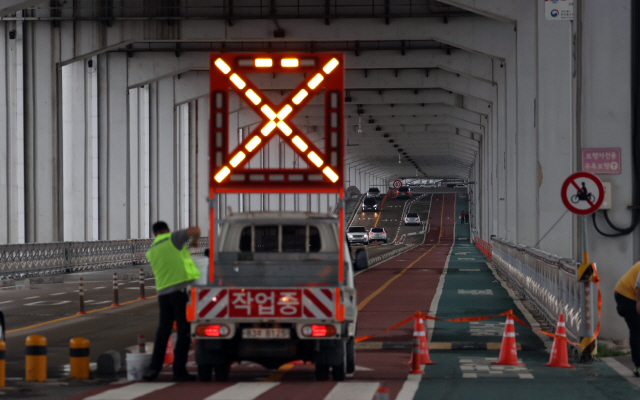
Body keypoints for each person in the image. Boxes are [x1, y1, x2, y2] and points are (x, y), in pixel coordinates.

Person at [143, 221, 201, 382]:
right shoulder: (172, 238)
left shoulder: (152, 250)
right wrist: (195, 241)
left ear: (155, 234)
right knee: (184, 332)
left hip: (163, 293)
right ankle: (179, 370)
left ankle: (154, 369)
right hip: (179, 291)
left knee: (163, 331)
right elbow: (195, 229)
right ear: (167, 230)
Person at [614, 261, 640, 377]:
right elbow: (639, 283)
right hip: (626, 296)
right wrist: (639, 303)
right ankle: (638, 366)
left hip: (633, 294)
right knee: (637, 330)